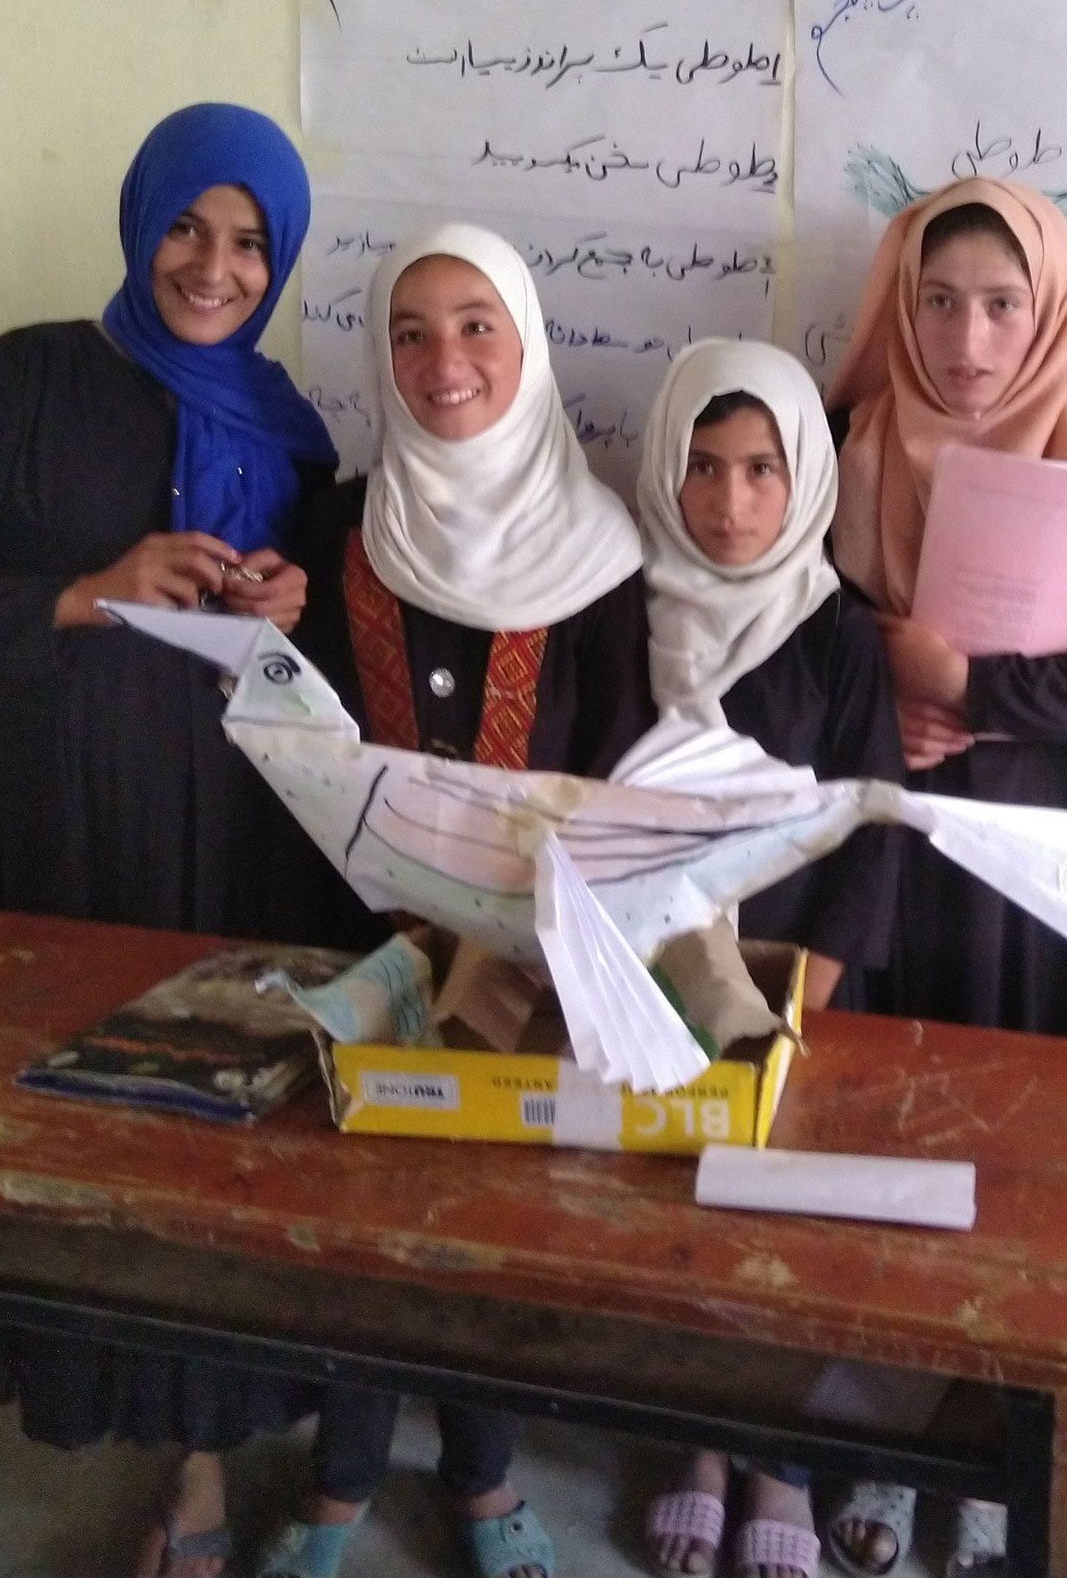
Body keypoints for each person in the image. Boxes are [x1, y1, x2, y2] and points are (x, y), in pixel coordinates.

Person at [0, 102, 345, 1578]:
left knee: (231, 1127)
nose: (214, 265)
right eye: (188, 224)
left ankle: (213, 1435)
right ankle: (160, 1460)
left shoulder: (295, 424)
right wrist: (79, 592)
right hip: (82, 809)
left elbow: (322, 646)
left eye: (252, 242)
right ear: (141, 219)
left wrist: (284, 601)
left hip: (250, 817)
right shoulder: (31, 375)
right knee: (106, 1112)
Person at [280, 220, 659, 1578]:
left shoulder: (604, 554)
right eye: (411, 331)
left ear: (531, 343)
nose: (445, 360)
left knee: (489, 1224)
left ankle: (487, 1483)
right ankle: (336, 1487)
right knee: (356, 1214)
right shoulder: (340, 529)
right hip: (360, 942)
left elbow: (622, 769)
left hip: (529, 952)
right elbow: (302, 729)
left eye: (477, 324)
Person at [818, 177, 1067, 1578]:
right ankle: (855, 1435)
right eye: (939, 301)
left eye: (1001, 304)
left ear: (1048, 313)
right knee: (863, 1139)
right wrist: (884, 702)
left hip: (1028, 873)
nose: (969, 337)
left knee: (1008, 1161)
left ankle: (989, 1462)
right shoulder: (845, 442)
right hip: (877, 850)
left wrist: (985, 689)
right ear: (900, 310)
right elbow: (797, 636)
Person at [628, 339, 902, 1578]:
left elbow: (874, 817)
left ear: (805, 484)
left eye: (760, 471)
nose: (729, 505)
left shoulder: (835, 631)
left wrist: (810, 992)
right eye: (701, 467)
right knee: (672, 1223)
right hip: (647, 972)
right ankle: (695, 1442)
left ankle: (780, 1465)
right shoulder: (619, 609)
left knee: (787, 1226)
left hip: (799, 987)